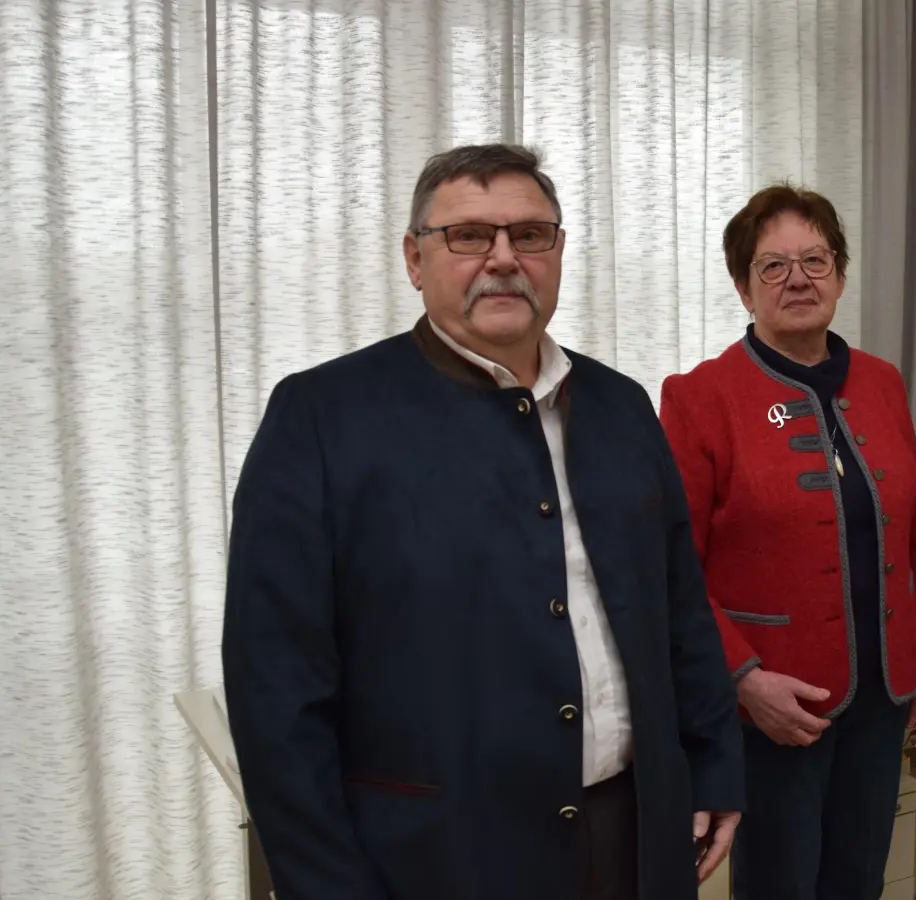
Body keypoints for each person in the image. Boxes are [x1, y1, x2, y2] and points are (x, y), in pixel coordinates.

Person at [222, 143, 746, 900]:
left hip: (636, 835)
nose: (503, 258)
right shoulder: (321, 418)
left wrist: (715, 762)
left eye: (529, 235)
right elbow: (276, 693)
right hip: (437, 858)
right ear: (414, 257)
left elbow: (680, 611)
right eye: (469, 235)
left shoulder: (622, 406)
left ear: (557, 251)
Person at [659, 185, 916, 900]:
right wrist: (743, 679)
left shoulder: (882, 383)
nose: (798, 279)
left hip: (883, 700)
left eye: (816, 260)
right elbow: (671, 570)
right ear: (742, 287)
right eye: (773, 266)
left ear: (841, 275)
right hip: (776, 708)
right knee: (780, 885)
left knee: (858, 877)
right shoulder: (701, 397)